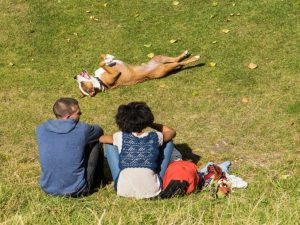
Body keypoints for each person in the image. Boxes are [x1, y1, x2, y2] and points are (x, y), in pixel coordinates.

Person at [100, 101, 176, 199]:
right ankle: (154, 175)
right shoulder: (155, 136)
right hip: (153, 191)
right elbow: (171, 132)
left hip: (123, 191)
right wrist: (150, 124)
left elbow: (101, 138)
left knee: (109, 145)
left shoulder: (120, 136)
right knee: (169, 143)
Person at [36, 97, 104, 197]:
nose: (81, 115)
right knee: (96, 141)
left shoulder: (41, 128)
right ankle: (99, 181)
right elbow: (99, 131)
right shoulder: (82, 129)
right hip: (77, 191)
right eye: (78, 113)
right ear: (68, 116)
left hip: (48, 189)